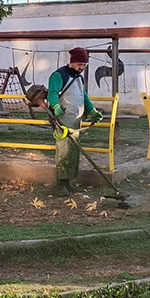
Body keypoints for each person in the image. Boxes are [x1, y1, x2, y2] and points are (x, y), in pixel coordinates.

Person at [44, 47, 103, 195]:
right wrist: (56, 106)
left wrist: (92, 111)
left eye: (84, 65)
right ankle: (60, 185)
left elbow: (84, 97)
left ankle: (69, 182)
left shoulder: (79, 78)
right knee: (64, 152)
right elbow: (52, 93)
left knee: (73, 153)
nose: (81, 68)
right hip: (62, 121)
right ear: (72, 62)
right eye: (79, 64)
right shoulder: (58, 75)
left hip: (76, 122)